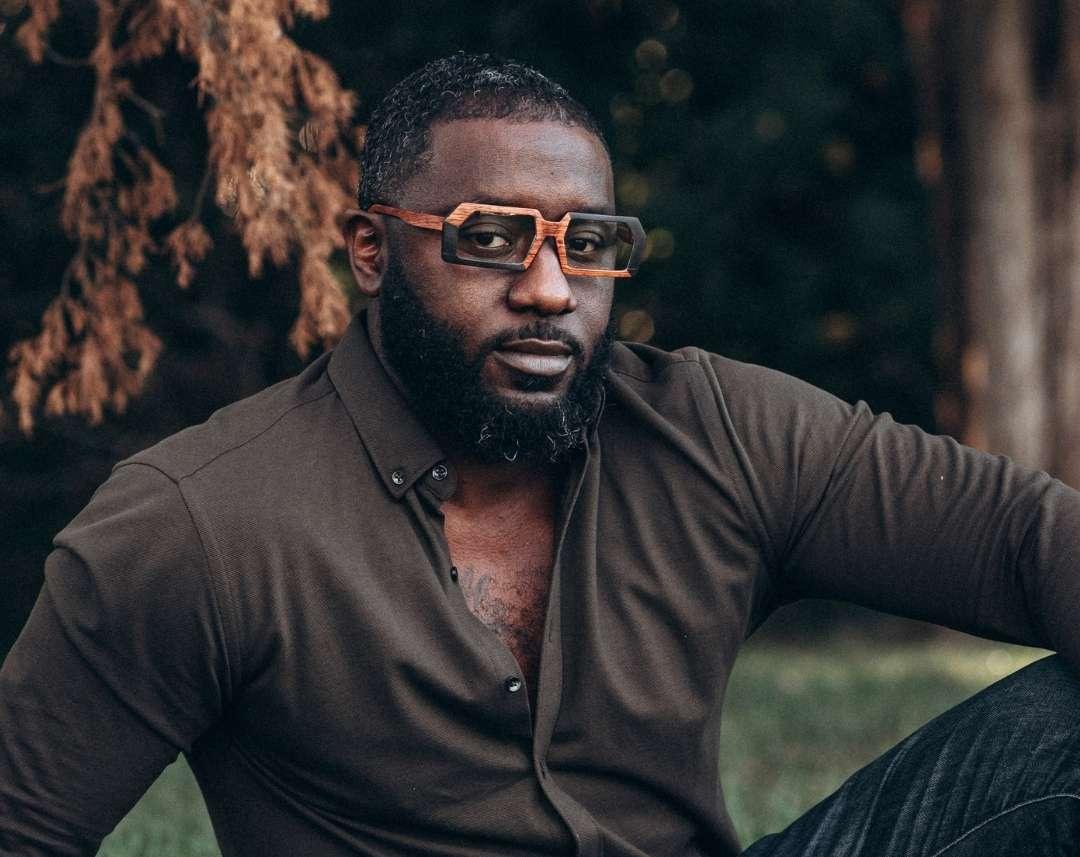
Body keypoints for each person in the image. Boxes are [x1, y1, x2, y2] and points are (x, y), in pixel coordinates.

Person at [2, 51, 1079, 857]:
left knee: (1057, 729)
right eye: (492, 237)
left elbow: (1030, 541)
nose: (551, 290)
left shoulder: (714, 429)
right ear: (372, 251)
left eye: (590, 245)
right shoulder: (194, 522)